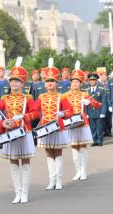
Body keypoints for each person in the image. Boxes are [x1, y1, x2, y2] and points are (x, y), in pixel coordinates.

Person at [0, 58, 38, 204]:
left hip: (24, 132)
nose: (14, 83)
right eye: (12, 81)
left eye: (17, 81)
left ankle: (25, 192)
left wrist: (23, 116)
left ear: (23, 83)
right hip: (10, 134)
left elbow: (36, 113)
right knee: (14, 162)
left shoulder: (27, 98)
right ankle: (17, 192)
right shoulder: (5, 98)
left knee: (25, 162)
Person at [34, 58, 73, 190]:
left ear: (57, 83)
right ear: (44, 84)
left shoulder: (62, 96)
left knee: (58, 153)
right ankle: (52, 180)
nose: (49, 83)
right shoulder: (41, 97)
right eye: (47, 81)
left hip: (57, 127)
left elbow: (70, 111)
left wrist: (62, 114)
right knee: (49, 153)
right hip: (45, 127)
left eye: (52, 81)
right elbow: (34, 110)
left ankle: (59, 180)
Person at [64, 63, 102, 181]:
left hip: (82, 123)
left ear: (81, 83)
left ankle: (84, 170)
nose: (74, 84)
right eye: (72, 82)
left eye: (77, 82)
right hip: (70, 124)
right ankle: (78, 170)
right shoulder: (65, 96)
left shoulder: (84, 94)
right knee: (74, 148)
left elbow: (98, 105)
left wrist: (89, 102)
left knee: (83, 147)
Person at [87, 73, 108, 147]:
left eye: (94, 80)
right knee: (92, 127)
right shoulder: (87, 90)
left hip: (99, 111)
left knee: (99, 127)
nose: (92, 81)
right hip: (90, 112)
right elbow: (85, 103)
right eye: (91, 80)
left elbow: (104, 101)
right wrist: (86, 113)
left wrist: (103, 112)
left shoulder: (101, 89)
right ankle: (94, 140)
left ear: (96, 81)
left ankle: (99, 141)